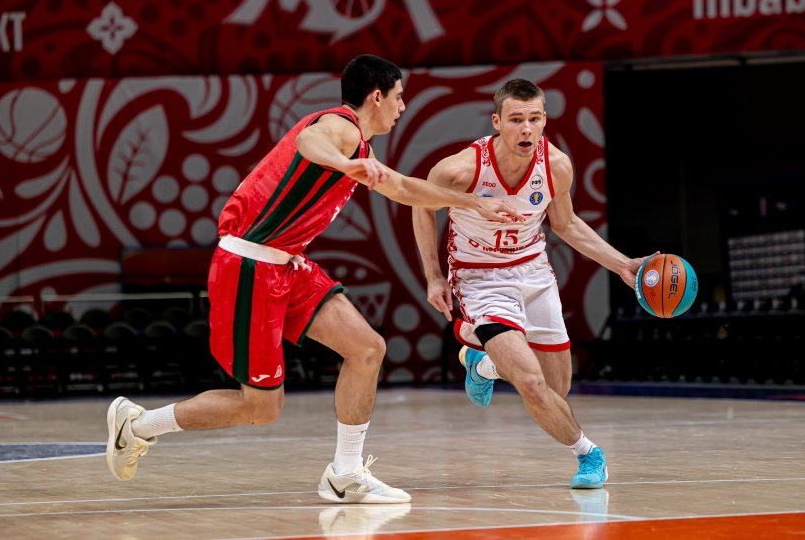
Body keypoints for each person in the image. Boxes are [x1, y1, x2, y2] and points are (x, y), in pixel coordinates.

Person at [105, 55, 523, 504]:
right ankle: (138, 426)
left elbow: (403, 188)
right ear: (376, 96)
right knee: (261, 407)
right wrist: (343, 164)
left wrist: (473, 203)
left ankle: (345, 474)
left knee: (367, 349)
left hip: (287, 264)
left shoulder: (361, 150)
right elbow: (309, 142)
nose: (403, 107)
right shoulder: (340, 126)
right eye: (399, 97)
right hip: (249, 267)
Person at [412, 79, 652, 489]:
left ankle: (482, 364)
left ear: (544, 120)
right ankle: (589, 454)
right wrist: (434, 276)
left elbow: (566, 224)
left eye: (534, 119)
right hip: (480, 278)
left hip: (534, 272)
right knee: (530, 382)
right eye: (516, 119)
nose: (526, 129)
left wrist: (622, 264)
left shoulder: (555, 165)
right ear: (497, 122)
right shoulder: (460, 169)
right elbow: (421, 206)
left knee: (556, 388)